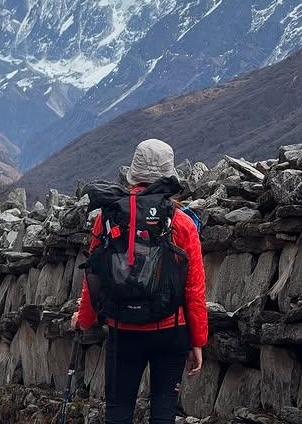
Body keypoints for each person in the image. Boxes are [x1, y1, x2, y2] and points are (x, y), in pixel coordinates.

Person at [72, 139, 208, 424]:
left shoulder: (109, 217)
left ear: (133, 174)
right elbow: (194, 288)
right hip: (172, 330)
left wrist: (84, 321)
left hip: (124, 331)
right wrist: (197, 340)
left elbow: (93, 275)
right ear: (170, 176)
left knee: (118, 410)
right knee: (164, 409)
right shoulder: (181, 222)